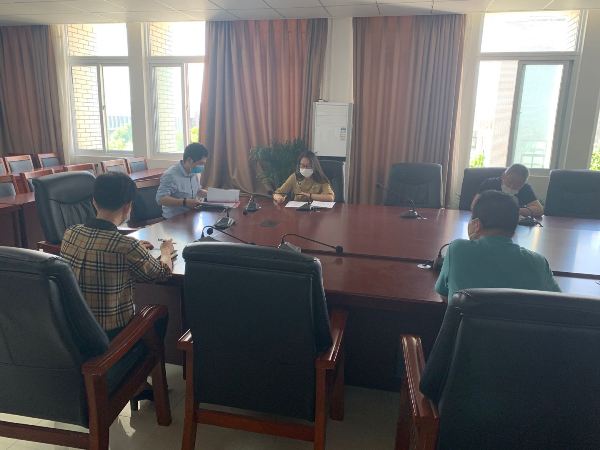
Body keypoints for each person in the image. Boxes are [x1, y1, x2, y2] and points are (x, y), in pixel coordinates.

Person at [61, 172, 174, 337]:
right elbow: (163, 273)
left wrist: (134, 248)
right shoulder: (126, 246)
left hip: (72, 331)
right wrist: (166, 251)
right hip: (111, 336)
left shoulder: (70, 233)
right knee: (160, 314)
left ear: (94, 201)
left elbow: (103, 245)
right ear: (128, 207)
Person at [436, 190, 560, 302]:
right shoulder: (538, 262)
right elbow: (560, 303)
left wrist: (473, 243)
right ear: (514, 229)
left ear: (476, 224)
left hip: (467, 321)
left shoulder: (457, 250)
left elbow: (445, 296)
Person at [156, 143, 209, 219]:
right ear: (189, 160)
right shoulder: (170, 175)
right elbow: (160, 199)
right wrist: (184, 202)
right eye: (201, 163)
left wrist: (213, 195)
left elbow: (198, 191)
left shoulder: (193, 172)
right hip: (174, 219)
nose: (202, 167)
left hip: (191, 215)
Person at [471, 163, 544, 217]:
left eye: (518, 184)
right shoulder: (489, 184)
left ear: (523, 183)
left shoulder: (525, 188)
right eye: (510, 182)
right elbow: (474, 206)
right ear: (503, 176)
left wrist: (515, 211)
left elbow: (539, 210)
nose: (512, 186)